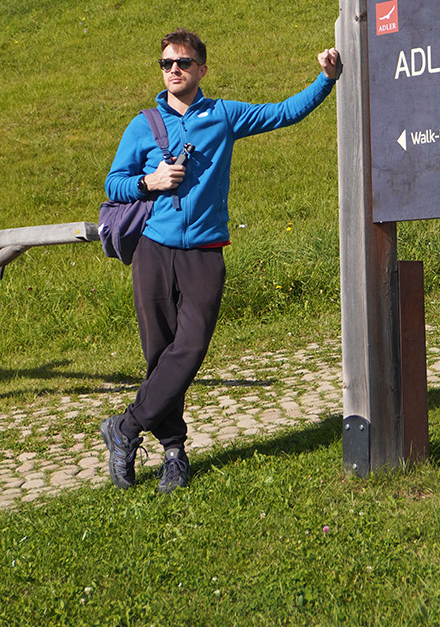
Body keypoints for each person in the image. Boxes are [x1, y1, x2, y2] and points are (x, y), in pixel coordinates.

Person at [100, 28, 340, 493]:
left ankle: (125, 429)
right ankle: (173, 452)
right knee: (159, 354)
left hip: (206, 252)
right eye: (167, 63)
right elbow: (114, 185)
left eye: (184, 63)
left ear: (201, 69)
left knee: (188, 350)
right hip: (153, 250)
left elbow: (283, 112)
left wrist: (325, 79)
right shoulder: (143, 124)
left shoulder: (224, 115)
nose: (174, 70)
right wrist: (150, 182)